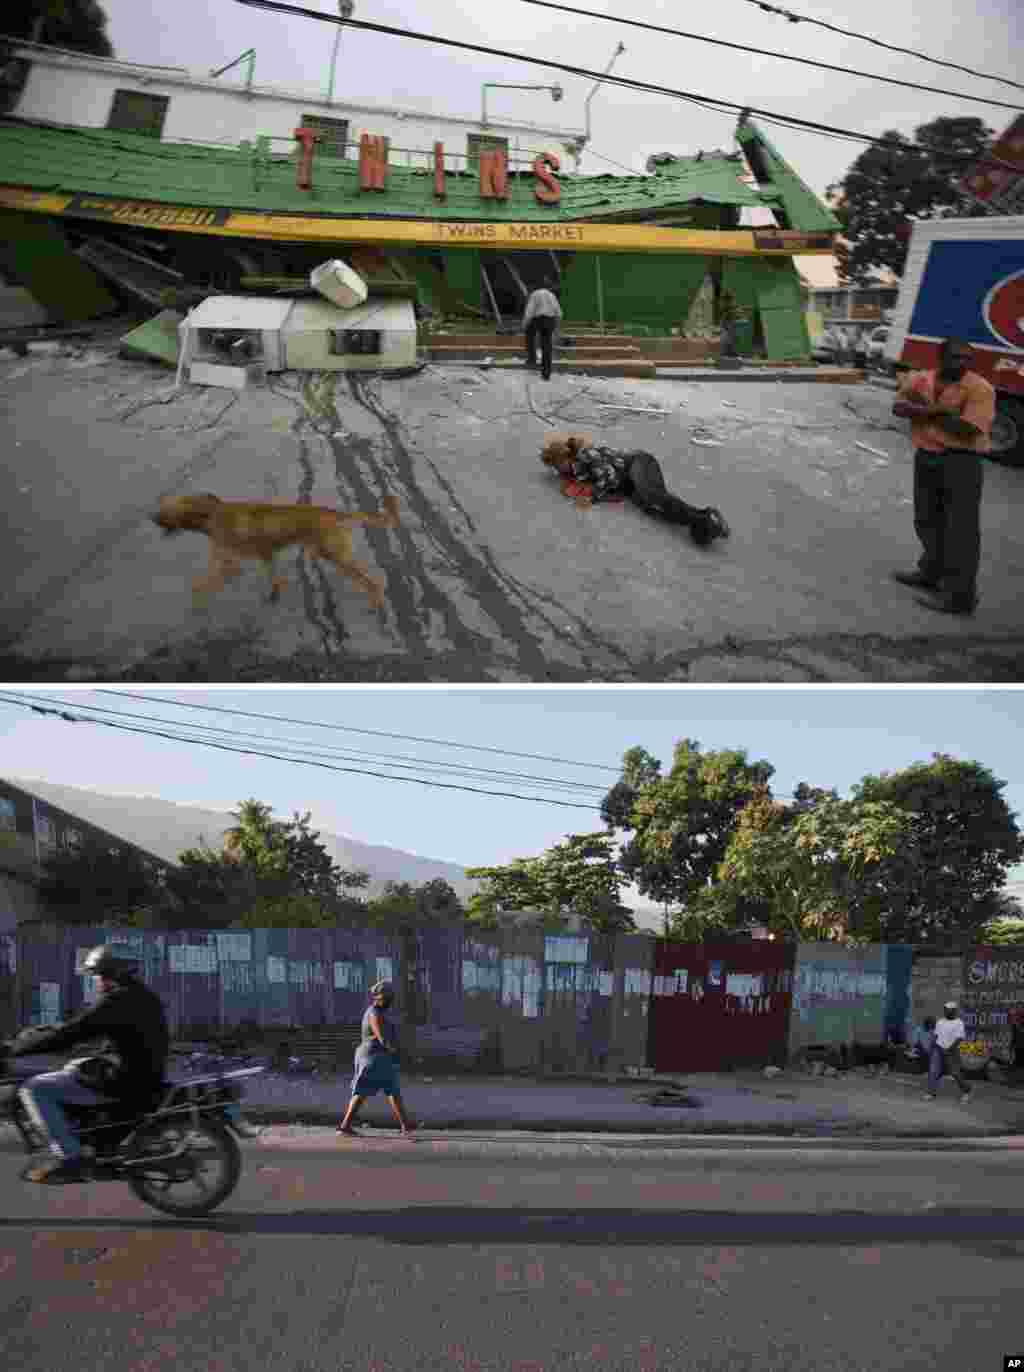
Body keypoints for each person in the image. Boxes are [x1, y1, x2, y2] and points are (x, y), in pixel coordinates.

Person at [8, 944, 170, 1183]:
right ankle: (85, 1137)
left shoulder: (116, 1001)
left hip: (124, 1081)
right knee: (74, 1067)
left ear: (110, 974)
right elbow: (111, 1034)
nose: (95, 980)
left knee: (33, 1088)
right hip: (145, 1074)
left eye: (97, 974)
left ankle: (69, 1157)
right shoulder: (144, 997)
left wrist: (17, 1049)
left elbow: (72, 1033)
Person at [890, 338, 996, 617]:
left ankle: (960, 597)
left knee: (960, 530)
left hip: (961, 461)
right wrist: (937, 412)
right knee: (927, 519)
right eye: (956, 357)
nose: (962, 364)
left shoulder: (980, 389)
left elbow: (967, 430)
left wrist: (922, 413)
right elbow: (898, 407)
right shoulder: (922, 379)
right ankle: (931, 573)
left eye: (967, 359)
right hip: (926, 456)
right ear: (941, 356)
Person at [541, 434, 730, 547]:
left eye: (557, 466)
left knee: (652, 495)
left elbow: (608, 476)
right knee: (652, 508)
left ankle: (707, 517)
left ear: (565, 458)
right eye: (554, 468)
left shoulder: (585, 456)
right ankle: (699, 523)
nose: (557, 471)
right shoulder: (574, 470)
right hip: (629, 480)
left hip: (638, 463)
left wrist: (591, 497)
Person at [336, 980, 416, 1138]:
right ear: (380, 998)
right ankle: (345, 1126)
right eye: (389, 998)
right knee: (371, 1091)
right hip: (373, 1057)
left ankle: (405, 1125)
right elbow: (383, 1038)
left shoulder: (379, 1013)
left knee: (386, 1090)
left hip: (378, 1057)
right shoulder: (374, 1013)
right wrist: (398, 1053)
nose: (391, 1001)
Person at [926, 1000, 972, 1104]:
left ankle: (966, 1091)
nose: (946, 1012)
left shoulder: (959, 1023)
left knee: (955, 1073)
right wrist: (932, 1046)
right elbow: (936, 1036)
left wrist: (949, 1049)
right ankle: (931, 1093)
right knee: (933, 1071)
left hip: (952, 1051)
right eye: (945, 1010)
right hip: (938, 1049)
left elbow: (959, 1039)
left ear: (954, 1011)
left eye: (948, 1010)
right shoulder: (940, 1022)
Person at [523, 280, 563, 380]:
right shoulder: (551, 295)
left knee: (529, 333)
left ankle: (532, 358)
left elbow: (529, 312)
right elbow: (559, 313)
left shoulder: (535, 294)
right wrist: (557, 328)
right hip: (550, 320)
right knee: (547, 345)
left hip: (538, 319)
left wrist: (524, 324)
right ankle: (546, 374)